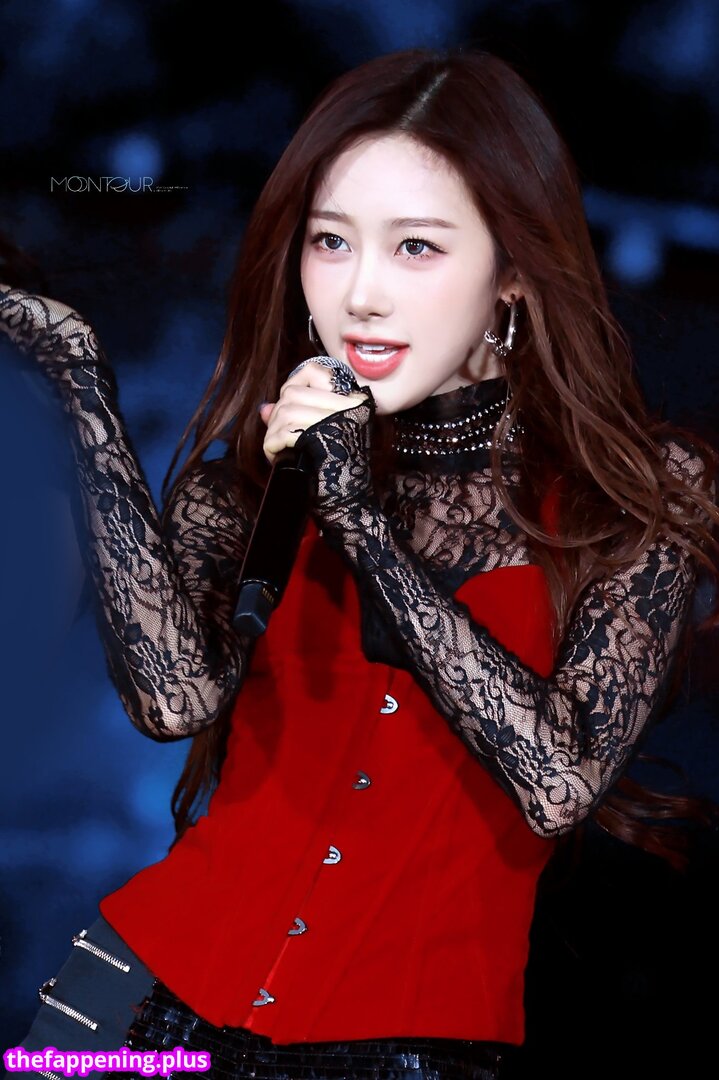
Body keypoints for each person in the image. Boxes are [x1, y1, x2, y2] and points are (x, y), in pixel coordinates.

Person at [2, 44, 718, 1080]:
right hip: (124, 1001)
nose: (361, 295)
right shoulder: (253, 477)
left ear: (513, 272)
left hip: (408, 1045)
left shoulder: (631, 497)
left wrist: (357, 521)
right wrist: (79, 382)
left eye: (415, 247)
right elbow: (172, 701)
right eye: (330, 242)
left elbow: (557, 781)